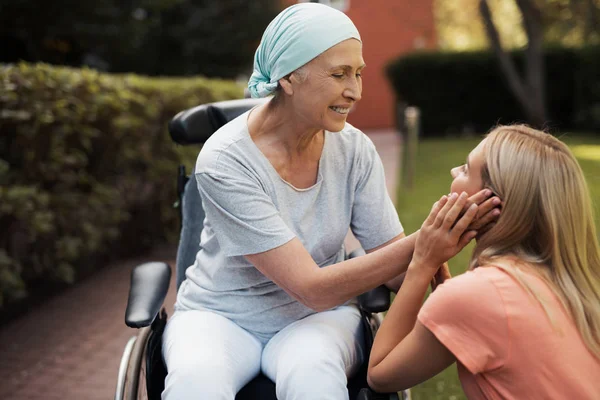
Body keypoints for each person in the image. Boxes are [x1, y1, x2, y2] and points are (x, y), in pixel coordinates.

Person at [161, 4, 498, 400]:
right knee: (195, 385)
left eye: (358, 73)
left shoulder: (354, 149)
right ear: (288, 76)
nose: (355, 90)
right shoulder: (225, 160)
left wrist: (454, 235)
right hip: (220, 317)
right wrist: (426, 240)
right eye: (339, 74)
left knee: (315, 376)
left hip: (315, 320)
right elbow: (311, 287)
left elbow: (391, 269)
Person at [367, 124, 600, 399]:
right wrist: (443, 283)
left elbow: (380, 375)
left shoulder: (479, 296)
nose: (454, 171)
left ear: (490, 202)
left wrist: (422, 263)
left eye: (466, 169)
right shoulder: (575, 281)